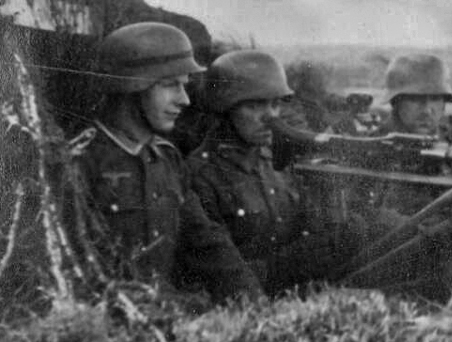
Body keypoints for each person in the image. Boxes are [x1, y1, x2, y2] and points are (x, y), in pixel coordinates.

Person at [65, 22, 262, 303]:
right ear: (132, 86)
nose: (184, 100)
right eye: (170, 85)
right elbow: (73, 271)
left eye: (184, 86)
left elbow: (207, 242)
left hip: (163, 313)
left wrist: (252, 299)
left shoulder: (167, 159)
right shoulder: (80, 162)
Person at [187, 50, 364, 295]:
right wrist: (293, 263)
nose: (270, 116)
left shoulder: (273, 161)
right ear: (224, 109)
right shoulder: (201, 176)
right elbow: (218, 272)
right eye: (254, 105)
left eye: (274, 104)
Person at [376, 54, 452, 146]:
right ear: (396, 102)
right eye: (415, 99)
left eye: (435, 99)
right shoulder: (373, 144)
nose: (426, 110)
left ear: (444, 104)